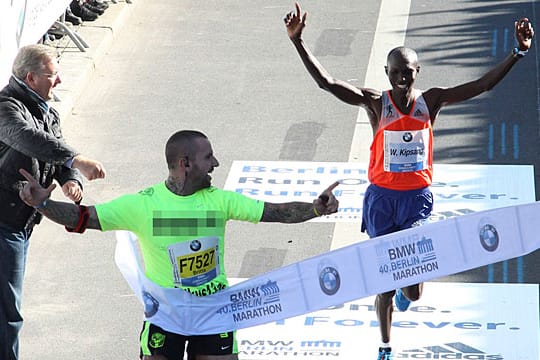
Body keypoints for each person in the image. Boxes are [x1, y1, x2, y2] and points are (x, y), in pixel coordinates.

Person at [283, 2, 534, 359]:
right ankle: (385, 346)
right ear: (387, 72)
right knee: (384, 279)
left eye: (408, 72)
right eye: (395, 72)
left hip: (416, 200)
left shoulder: (432, 102)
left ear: (418, 71)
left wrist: (517, 52)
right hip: (382, 199)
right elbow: (328, 83)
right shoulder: (374, 103)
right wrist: (298, 41)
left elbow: (481, 85)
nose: (402, 78)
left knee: (413, 289)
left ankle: (406, 294)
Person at [18, 129, 340, 360]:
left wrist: (315, 208)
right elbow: (83, 217)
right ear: (185, 163)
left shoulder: (220, 201)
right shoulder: (143, 205)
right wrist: (43, 206)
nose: (215, 163)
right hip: (165, 317)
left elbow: (276, 213)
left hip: (215, 313)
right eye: (208, 157)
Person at [0, 44, 106, 360]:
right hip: (4, 223)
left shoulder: (47, 109)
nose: (58, 81)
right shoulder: (6, 108)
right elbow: (28, 139)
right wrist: (77, 158)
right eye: (53, 75)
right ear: (31, 78)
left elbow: (54, 152)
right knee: (8, 316)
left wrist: (71, 179)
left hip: (20, 222)